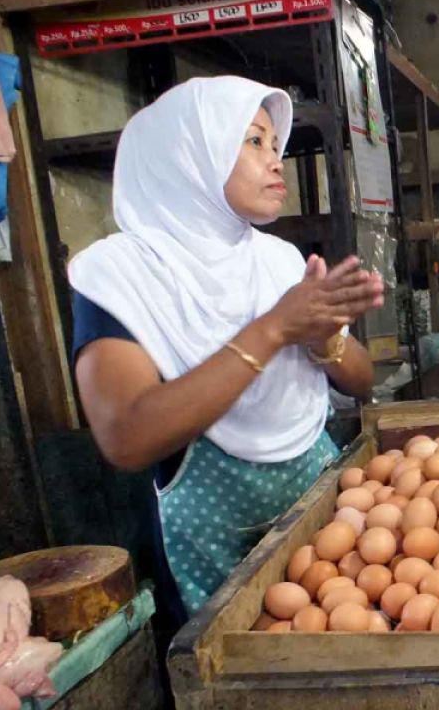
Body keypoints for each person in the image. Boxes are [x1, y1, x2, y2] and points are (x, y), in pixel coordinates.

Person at [70, 76, 385, 615]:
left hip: (319, 520)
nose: (275, 160)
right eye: (253, 141)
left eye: (273, 143)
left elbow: (362, 381)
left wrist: (325, 334)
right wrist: (274, 329)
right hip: (211, 538)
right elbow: (127, 437)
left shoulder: (278, 259)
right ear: (189, 156)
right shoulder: (121, 273)